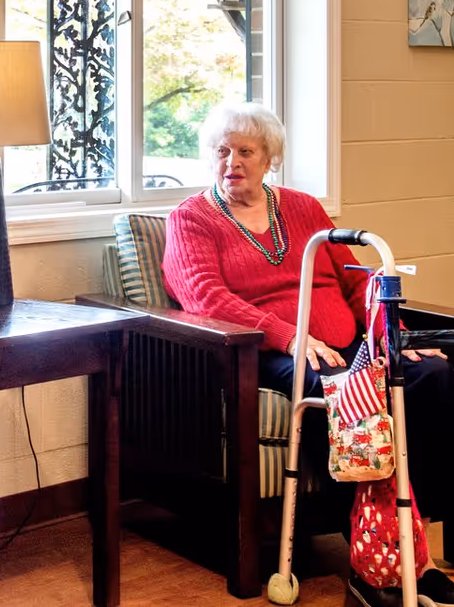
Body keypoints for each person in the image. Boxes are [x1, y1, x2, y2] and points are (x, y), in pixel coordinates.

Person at [162, 101, 454, 607]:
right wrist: (291, 335)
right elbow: (204, 296)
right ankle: (372, 557)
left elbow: (357, 279)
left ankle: (413, 542)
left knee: (433, 376)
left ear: (269, 157)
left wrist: (395, 336)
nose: (231, 161)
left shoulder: (302, 208)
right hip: (273, 352)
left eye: (245, 151)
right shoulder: (192, 219)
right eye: (221, 151)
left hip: (346, 344)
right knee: (348, 393)